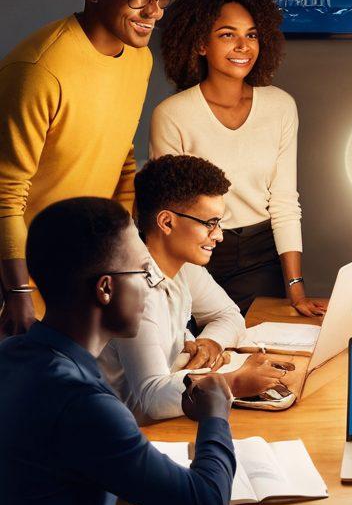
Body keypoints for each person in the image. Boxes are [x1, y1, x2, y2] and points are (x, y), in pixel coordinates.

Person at [0, 195, 302, 505]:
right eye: (142, 273)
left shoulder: (15, 357)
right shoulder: (84, 403)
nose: (151, 285)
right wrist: (216, 413)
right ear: (105, 288)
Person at [0, 0, 170, 337]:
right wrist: (18, 290)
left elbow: (122, 155)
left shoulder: (139, 57)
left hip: (79, 275)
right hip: (20, 278)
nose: (154, 11)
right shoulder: (39, 70)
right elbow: (5, 193)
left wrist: (122, 253)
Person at [150, 0, 323, 317]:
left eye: (252, 35)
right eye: (228, 34)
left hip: (261, 259)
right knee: (203, 359)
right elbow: (166, 216)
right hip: (194, 257)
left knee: (265, 354)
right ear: (201, 44)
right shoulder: (172, 115)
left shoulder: (280, 106)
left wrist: (295, 287)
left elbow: (285, 201)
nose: (243, 46)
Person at [100, 155, 295, 422]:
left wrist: (211, 342)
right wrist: (233, 382)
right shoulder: (131, 292)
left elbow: (229, 315)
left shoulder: (184, 268)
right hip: (128, 434)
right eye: (209, 223)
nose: (219, 235)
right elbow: (151, 398)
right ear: (167, 222)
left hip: (167, 418)